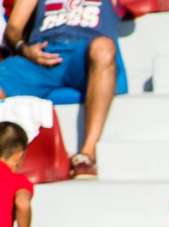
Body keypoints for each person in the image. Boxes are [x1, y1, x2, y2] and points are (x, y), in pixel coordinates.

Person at [0, 0, 120, 177]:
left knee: (104, 47)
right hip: (41, 57)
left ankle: (87, 154)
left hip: (85, 53)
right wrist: (24, 49)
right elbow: (13, 29)